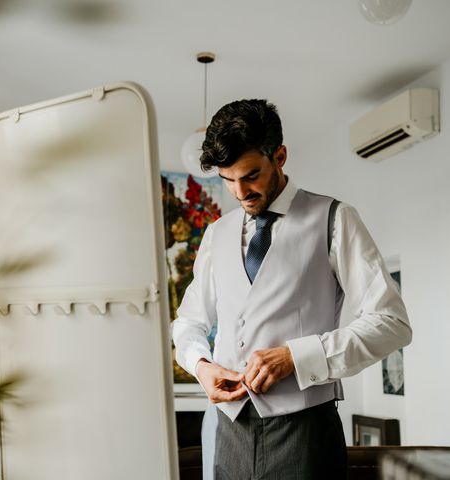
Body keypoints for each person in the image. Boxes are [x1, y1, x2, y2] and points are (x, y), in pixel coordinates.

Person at [172, 99, 412, 479]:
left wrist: (296, 357)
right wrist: (201, 367)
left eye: (250, 175)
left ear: (279, 156)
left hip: (305, 433)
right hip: (227, 430)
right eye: (227, 179)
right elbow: (188, 322)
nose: (239, 192)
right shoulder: (217, 234)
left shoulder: (335, 218)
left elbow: (391, 323)